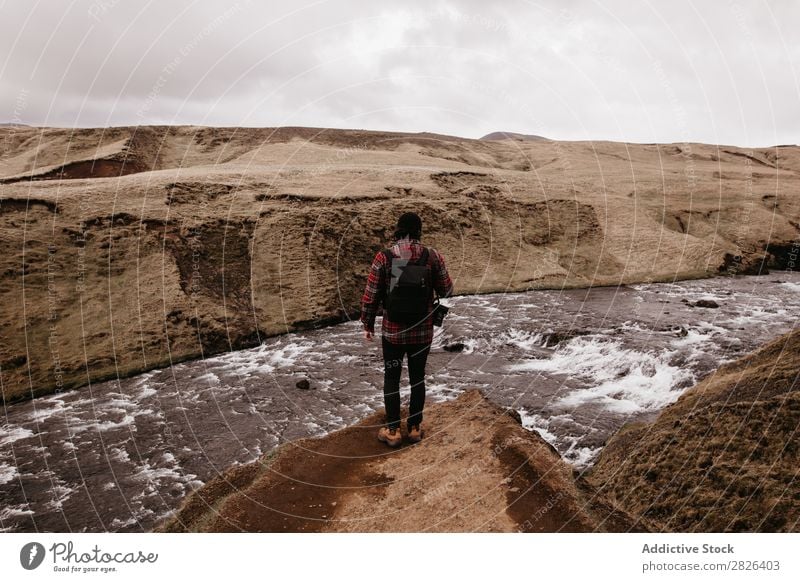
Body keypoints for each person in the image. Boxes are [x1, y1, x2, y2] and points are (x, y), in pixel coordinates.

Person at [360, 211, 454, 447]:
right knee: (417, 378)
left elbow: (371, 296)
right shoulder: (433, 257)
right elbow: (447, 290)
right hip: (422, 332)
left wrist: (367, 324)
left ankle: (393, 430)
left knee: (391, 377)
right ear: (419, 232)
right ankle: (414, 428)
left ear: (398, 230)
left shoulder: (385, 257)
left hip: (393, 332)